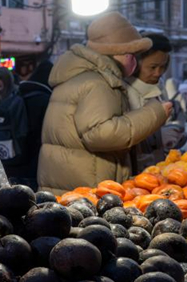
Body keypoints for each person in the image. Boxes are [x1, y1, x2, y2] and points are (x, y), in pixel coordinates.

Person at [38, 12, 171, 195]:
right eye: (132, 54)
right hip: (87, 191)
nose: (134, 60)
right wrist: (155, 113)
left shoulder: (79, 77)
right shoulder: (97, 83)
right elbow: (99, 134)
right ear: (120, 52)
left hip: (71, 188)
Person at [125, 33, 186, 173]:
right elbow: (124, 136)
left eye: (163, 67)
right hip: (136, 173)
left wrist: (171, 134)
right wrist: (158, 139)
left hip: (155, 168)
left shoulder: (159, 86)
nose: (158, 73)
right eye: (152, 67)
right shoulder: (124, 91)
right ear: (135, 64)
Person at [0, 61, 52, 188]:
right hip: (25, 162)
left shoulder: (17, 96)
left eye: (0, 80)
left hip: (9, 159)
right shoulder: (42, 98)